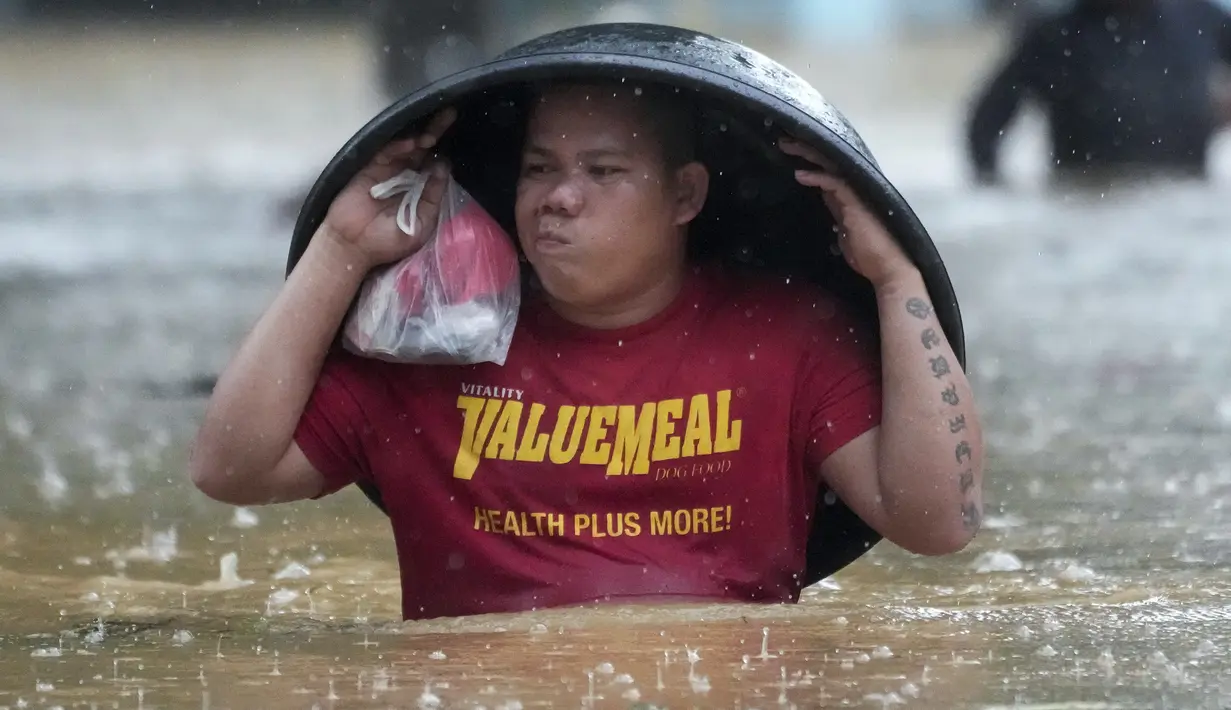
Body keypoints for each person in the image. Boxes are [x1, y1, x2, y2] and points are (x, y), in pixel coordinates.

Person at [189, 80, 986, 621]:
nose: (559, 196)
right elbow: (230, 468)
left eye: (602, 171)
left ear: (685, 196)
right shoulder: (433, 346)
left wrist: (893, 274)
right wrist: (339, 245)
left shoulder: (785, 335)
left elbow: (939, 521)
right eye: (540, 169)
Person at [966, 0, 1231, 185]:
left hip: (1185, 202)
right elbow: (984, 126)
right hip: (1087, 207)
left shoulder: (1200, 19)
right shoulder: (1054, 36)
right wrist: (999, 197)